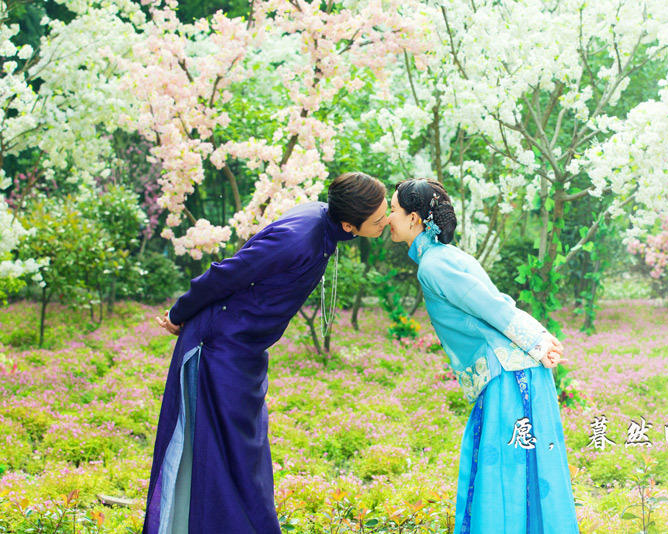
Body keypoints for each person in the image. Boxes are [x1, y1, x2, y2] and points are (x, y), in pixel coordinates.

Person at [144, 172, 390, 534]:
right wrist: (180, 313)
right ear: (349, 225)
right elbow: (229, 272)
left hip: (245, 351)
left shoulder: (325, 226)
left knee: (245, 460)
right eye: (379, 219)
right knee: (221, 457)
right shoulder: (299, 238)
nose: (386, 222)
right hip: (217, 347)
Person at [388, 178, 580, 533]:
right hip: (511, 371)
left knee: (504, 473)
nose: (388, 217)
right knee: (519, 470)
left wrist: (538, 341)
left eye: (393, 210)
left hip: (510, 375)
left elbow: (491, 306)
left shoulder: (434, 264)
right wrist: (538, 340)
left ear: (414, 218)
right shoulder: (445, 256)